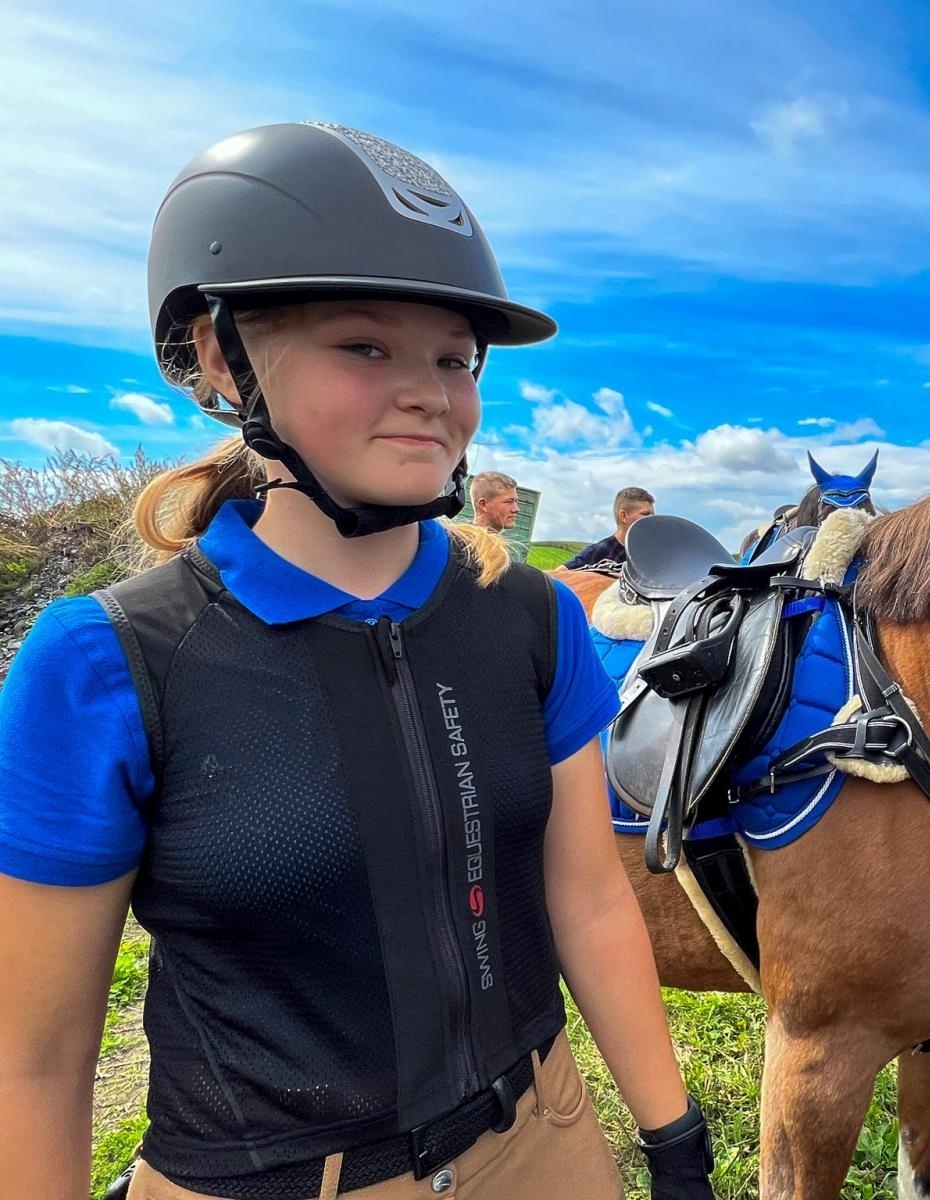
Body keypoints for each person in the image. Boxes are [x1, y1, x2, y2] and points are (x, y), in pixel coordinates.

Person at [0, 123, 715, 1200]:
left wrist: (672, 1138)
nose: (431, 391)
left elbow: (590, 899)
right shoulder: (107, 663)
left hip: (544, 1137)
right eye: (366, 347)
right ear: (219, 354)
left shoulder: (528, 616)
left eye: (451, 358)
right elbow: (35, 1057)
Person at [563, 487, 654, 571]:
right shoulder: (598, 553)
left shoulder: (653, 553)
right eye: (645, 514)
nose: (652, 519)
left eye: (653, 515)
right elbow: (556, 576)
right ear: (623, 517)